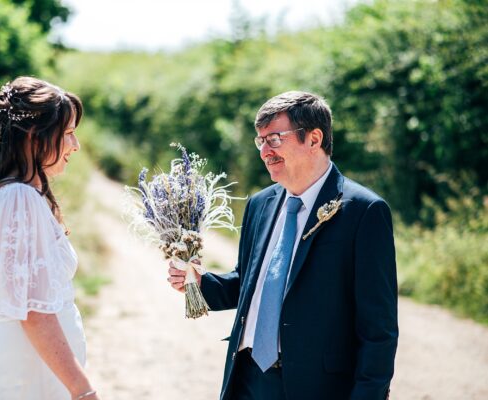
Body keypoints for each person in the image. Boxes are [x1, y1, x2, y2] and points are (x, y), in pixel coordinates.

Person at [168, 91, 398, 400]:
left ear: (314, 139)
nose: (264, 151)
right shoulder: (259, 204)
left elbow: (378, 330)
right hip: (246, 379)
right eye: (260, 141)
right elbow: (249, 283)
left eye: (274, 139)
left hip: (316, 387)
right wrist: (201, 283)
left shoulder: (364, 212)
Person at [0, 76, 100, 400]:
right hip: (33, 375)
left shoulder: (15, 194)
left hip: (34, 366)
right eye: (67, 134)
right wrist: (83, 390)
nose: (75, 145)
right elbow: (33, 313)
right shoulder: (18, 199)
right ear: (36, 137)